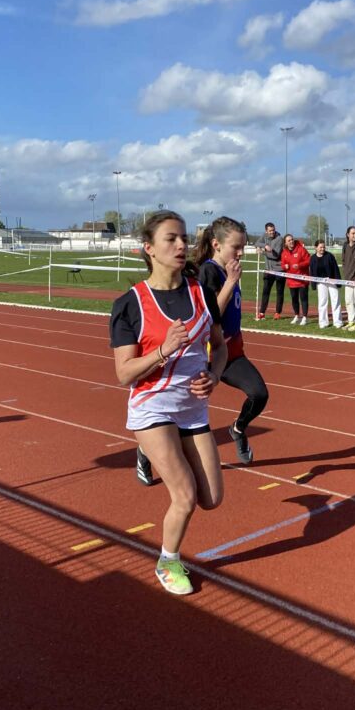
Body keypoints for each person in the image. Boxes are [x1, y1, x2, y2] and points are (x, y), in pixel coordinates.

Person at [109, 210, 227, 595]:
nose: (181, 245)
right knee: (186, 496)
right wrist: (163, 350)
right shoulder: (131, 304)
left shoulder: (202, 293)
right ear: (149, 249)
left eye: (184, 238)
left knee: (212, 498)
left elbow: (220, 347)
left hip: (192, 409)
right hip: (153, 407)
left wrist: (214, 375)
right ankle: (168, 561)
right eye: (171, 239)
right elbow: (124, 374)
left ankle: (149, 451)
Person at [195, 216, 270, 465]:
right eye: (236, 247)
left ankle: (238, 428)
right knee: (180, 412)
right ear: (216, 244)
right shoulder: (208, 271)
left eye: (243, 247)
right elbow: (210, 314)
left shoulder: (230, 270)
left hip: (232, 353)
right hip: (206, 353)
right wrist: (230, 282)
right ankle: (146, 451)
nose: (241, 253)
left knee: (259, 394)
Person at [309, 240, 343, 329]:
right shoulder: (313, 258)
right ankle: (323, 322)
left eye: (324, 247)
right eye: (320, 247)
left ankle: (338, 322)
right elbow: (312, 272)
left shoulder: (330, 256)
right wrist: (313, 284)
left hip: (332, 280)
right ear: (316, 248)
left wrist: (337, 282)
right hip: (320, 282)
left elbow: (335, 269)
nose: (322, 249)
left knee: (335, 300)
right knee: (322, 302)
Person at [255, 222, 285, 319]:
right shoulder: (264, 236)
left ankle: (277, 312)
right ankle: (262, 312)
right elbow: (256, 243)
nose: (272, 232)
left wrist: (263, 252)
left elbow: (275, 256)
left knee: (279, 292)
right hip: (268, 269)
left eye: (273, 230)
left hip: (279, 269)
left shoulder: (279, 239)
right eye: (270, 231)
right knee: (265, 291)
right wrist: (265, 246)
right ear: (266, 231)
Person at [280, 233, 311, 325]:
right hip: (291, 280)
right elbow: (282, 263)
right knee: (294, 299)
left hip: (302, 279)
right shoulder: (284, 253)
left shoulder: (301, 249)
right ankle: (296, 315)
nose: (291, 241)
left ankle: (305, 317)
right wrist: (284, 266)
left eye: (292, 239)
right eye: (289, 240)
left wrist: (300, 265)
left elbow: (309, 260)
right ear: (285, 243)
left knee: (303, 298)